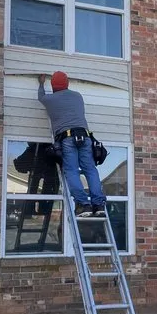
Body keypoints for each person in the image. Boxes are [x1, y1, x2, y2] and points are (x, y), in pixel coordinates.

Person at [37, 71, 106, 217]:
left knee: (72, 171)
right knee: (90, 170)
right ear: (67, 84)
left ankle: (83, 204)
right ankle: (98, 204)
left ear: (53, 85)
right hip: (85, 137)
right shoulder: (77, 96)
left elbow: (40, 97)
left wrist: (41, 83)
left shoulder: (50, 99)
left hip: (67, 138)